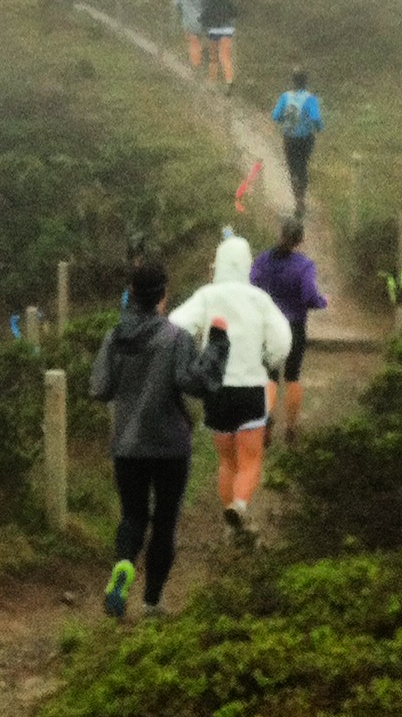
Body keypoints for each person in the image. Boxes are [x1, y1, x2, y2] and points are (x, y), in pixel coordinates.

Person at [89, 260, 228, 619]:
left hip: (127, 445)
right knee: (165, 522)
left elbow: (100, 389)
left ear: (131, 294)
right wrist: (217, 344)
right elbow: (196, 384)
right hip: (169, 446)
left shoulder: (115, 337)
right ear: (163, 296)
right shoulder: (175, 338)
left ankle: (123, 564)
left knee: (133, 515)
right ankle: (152, 602)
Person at [168, 233, 291, 536]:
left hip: (216, 389)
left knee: (227, 461)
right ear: (247, 265)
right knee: (250, 460)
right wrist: (267, 359)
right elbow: (282, 339)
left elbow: (176, 322)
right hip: (250, 388)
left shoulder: (207, 296)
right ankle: (240, 505)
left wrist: (195, 356)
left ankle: (230, 526)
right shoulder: (259, 299)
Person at [250, 217, 328, 444]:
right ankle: (291, 428)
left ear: (280, 234)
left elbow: (252, 285)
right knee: (293, 376)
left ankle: (265, 422)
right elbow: (309, 296)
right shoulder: (304, 266)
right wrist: (322, 302)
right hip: (294, 326)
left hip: (268, 326)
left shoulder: (263, 260)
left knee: (270, 376)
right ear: (300, 240)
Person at [270, 68, 324, 216]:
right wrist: (319, 128)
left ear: (293, 81)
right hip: (306, 138)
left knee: (293, 166)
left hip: (289, 137)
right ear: (306, 82)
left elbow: (275, 116)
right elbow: (315, 118)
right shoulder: (310, 98)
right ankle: (301, 198)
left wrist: (284, 121)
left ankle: (297, 196)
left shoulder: (285, 97)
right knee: (303, 165)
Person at [197, 0, 239, 91]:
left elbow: (204, 13)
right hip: (227, 30)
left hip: (214, 30)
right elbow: (235, 11)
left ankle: (212, 83)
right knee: (225, 56)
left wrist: (202, 22)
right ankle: (229, 80)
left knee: (213, 58)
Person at [171, 0, 211, 78]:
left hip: (189, 23)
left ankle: (195, 65)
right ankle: (204, 55)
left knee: (193, 43)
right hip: (204, 22)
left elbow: (175, 4)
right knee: (202, 40)